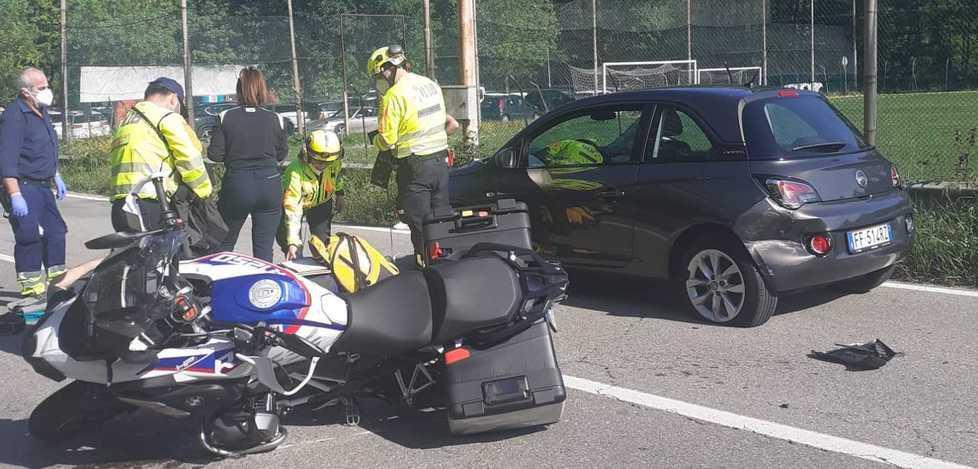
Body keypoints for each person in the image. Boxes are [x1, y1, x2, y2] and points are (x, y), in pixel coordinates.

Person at [367, 45, 459, 266]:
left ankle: (426, 272)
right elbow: (450, 124)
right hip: (440, 163)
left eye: (379, 75)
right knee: (440, 221)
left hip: (415, 166)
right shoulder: (429, 85)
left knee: (419, 225)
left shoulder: (393, 96)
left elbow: (387, 140)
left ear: (388, 69)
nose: (380, 80)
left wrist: (374, 139)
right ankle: (448, 267)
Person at [108, 77, 212, 232]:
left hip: (120, 205)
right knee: (158, 255)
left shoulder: (127, 122)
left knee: (132, 255)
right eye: (179, 108)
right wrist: (204, 192)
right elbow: (190, 158)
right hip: (149, 203)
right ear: (173, 99)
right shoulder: (166, 117)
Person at [0, 67, 68, 298]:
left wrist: (55, 174)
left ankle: (57, 283)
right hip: (23, 185)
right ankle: (31, 290)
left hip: (42, 184)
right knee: (29, 236)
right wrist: (14, 194)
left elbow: (44, 148)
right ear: (25, 92)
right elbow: (7, 158)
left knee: (56, 232)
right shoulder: (14, 115)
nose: (47, 91)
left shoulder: (41, 111)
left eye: (47, 86)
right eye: (41, 88)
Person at [208, 67, 288, 262]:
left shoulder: (225, 117)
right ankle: (263, 287)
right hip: (269, 185)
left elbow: (215, 155)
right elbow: (282, 154)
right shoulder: (276, 119)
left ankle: (218, 286)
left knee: (224, 244)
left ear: (238, 90)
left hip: (238, 185)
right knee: (263, 249)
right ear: (263, 89)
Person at [278, 129, 345, 261]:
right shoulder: (295, 171)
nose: (323, 166)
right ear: (306, 154)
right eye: (318, 162)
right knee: (294, 251)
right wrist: (292, 241)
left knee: (322, 249)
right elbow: (293, 210)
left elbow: (336, 177)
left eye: (328, 162)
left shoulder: (334, 161)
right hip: (291, 207)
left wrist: (340, 193)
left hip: (321, 204)